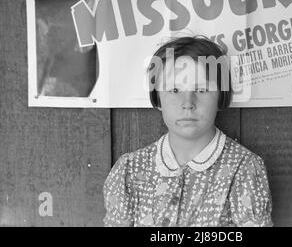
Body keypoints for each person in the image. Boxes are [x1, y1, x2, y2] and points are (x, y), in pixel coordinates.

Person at [103, 36, 273, 227]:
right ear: (158, 98)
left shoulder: (243, 168)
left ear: (220, 96)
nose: (188, 103)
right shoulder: (130, 170)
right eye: (174, 90)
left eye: (201, 90)